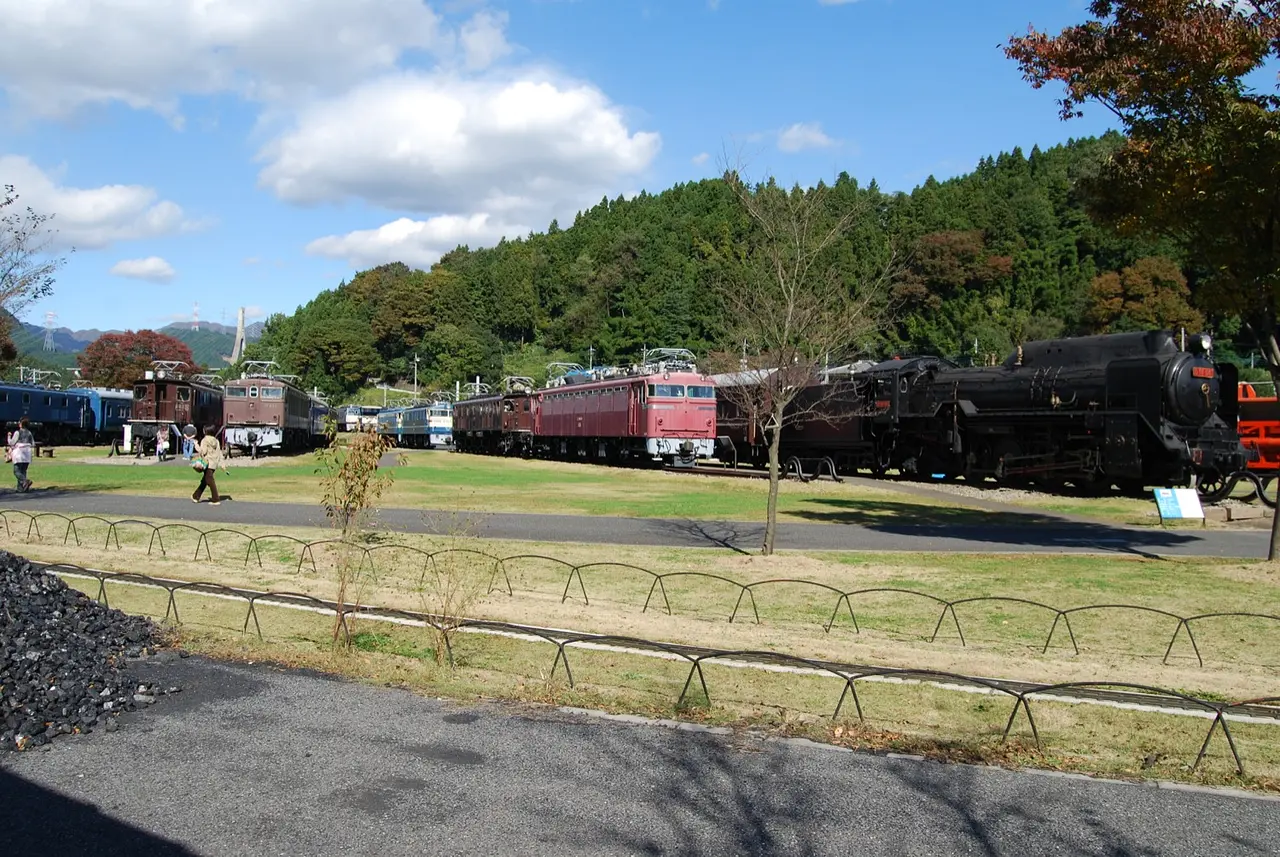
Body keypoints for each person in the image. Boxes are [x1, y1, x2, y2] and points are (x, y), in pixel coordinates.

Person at [191, 425, 226, 505]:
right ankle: (196, 496)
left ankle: (215, 499)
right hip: (214, 464)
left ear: (205, 431)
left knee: (210, 481)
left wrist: (196, 445)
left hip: (207, 463)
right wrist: (222, 464)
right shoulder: (216, 441)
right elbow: (219, 453)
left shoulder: (204, 440)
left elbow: (203, 451)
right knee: (205, 481)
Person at [8, 417, 34, 492]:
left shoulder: (17, 432)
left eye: (19, 422)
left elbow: (11, 443)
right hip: (27, 454)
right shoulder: (29, 433)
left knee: (16, 471)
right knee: (23, 471)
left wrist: (9, 436)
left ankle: (25, 481)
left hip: (19, 453)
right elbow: (33, 443)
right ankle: (22, 489)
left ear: (21, 424)